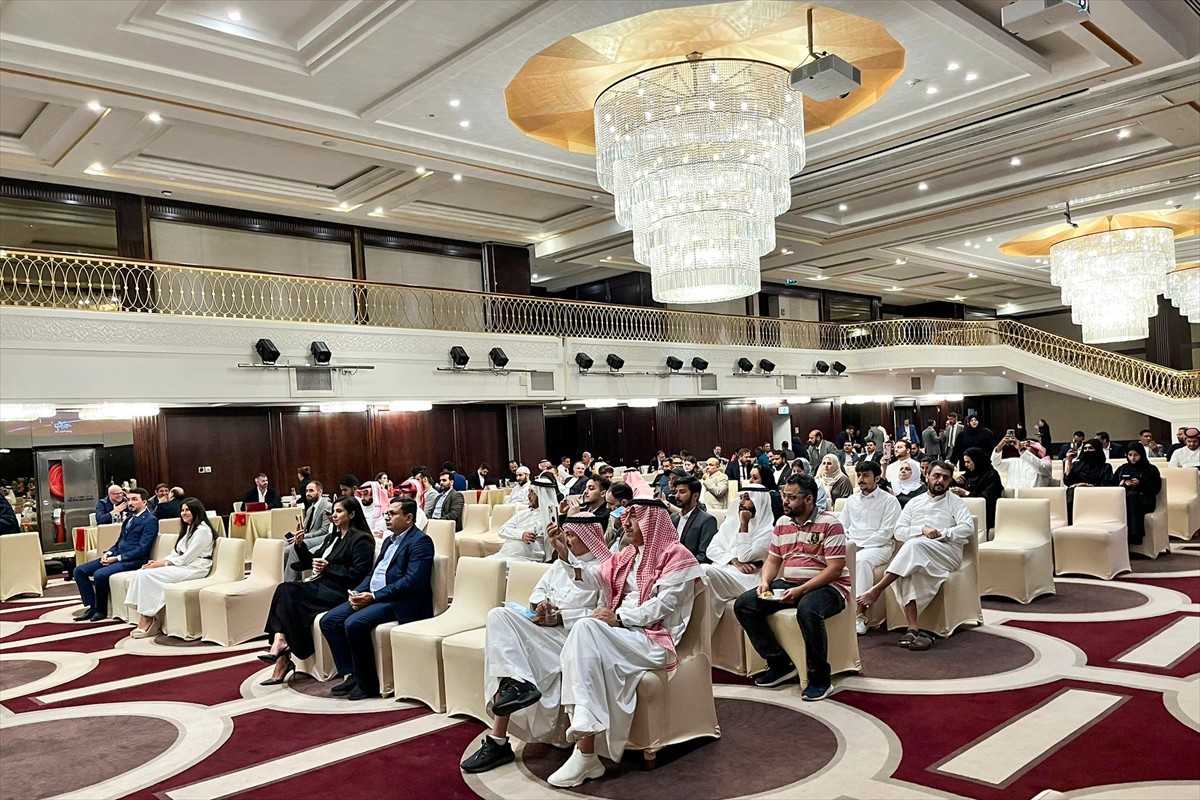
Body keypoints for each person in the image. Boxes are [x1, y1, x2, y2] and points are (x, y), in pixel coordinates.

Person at [547, 497, 702, 788]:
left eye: (633, 517)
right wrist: (565, 555)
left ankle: (584, 736)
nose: (625, 523)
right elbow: (592, 577)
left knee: (585, 629)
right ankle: (586, 748)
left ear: (651, 521)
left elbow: (663, 607)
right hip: (626, 635)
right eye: (625, 517)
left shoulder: (676, 556)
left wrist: (619, 618)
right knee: (584, 632)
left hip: (655, 640)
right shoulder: (628, 555)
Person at [460, 515, 614, 774]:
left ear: (590, 538)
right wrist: (541, 607)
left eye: (574, 535)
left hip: (575, 639)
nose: (567, 539)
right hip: (544, 631)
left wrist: (563, 617)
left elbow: (604, 616)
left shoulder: (603, 569)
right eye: (567, 534)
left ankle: (499, 736)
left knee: (509, 659)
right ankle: (516, 690)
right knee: (498, 616)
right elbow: (536, 595)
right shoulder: (558, 565)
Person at [733, 474, 850, 698]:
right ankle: (779, 664)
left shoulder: (830, 524)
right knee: (744, 604)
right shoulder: (782, 523)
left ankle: (819, 678)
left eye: (792, 497)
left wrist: (802, 590)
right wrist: (765, 582)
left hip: (829, 586)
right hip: (790, 583)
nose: (785, 501)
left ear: (809, 500)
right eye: (784, 496)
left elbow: (834, 569)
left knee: (808, 609)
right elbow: (773, 560)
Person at [320, 496, 434, 700]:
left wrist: (373, 596)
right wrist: (357, 592)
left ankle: (367, 683)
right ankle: (352, 673)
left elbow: (412, 581)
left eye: (392, 514)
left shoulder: (420, 542)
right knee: (329, 620)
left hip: (401, 601)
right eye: (386, 514)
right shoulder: (389, 540)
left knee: (353, 623)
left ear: (409, 518)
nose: (387, 518)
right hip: (374, 595)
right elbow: (374, 574)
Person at [856, 461, 974, 651]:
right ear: (927, 476)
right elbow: (899, 531)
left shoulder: (956, 502)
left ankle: (877, 589)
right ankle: (912, 628)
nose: (940, 481)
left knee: (913, 546)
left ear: (950, 480)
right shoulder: (914, 502)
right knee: (908, 570)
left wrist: (943, 533)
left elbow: (968, 527)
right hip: (918, 551)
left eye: (945, 478)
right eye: (936, 476)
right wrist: (921, 529)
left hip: (947, 552)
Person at [261, 496, 376, 684]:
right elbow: (310, 562)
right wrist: (300, 546)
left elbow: (359, 574)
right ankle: (280, 641)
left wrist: (328, 567)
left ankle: (281, 648)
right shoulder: (334, 537)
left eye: (339, 511)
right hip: (322, 585)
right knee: (283, 590)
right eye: (333, 511)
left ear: (352, 514)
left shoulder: (361, 539)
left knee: (287, 593)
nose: (334, 515)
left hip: (339, 590)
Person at [124, 497, 214, 638]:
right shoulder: (189, 528)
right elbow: (176, 552)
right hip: (183, 566)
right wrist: (159, 562)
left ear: (196, 511)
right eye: (182, 510)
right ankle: (146, 615)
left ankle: (148, 618)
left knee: (148, 575)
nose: (184, 513)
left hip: (196, 568)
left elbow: (187, 557)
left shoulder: (202, 530)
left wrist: (162, 564)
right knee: (142, 572)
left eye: (187, 510)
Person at [73, 487, 159, 622]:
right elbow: (120, 541)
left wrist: (117, 558)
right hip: (117, 555)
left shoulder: (150, 520)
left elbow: (143, 548)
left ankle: (101, 610)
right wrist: (109, 553)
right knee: (79, 571)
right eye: (129, 499)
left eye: (134, 500)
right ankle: (92, 605)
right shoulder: (129, 519)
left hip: (133, 560)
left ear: (144, 502)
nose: (130, 503)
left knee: (100, 574)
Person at [839, 461, 901, 635]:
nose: (861, 479)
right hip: (853, 544)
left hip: (879, 546)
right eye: (859, 475)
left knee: (861, 561)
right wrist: (850, 544)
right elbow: (842, 526)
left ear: (878, 478)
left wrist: (859, 546)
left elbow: (887, 532)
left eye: (866, 475)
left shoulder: (889, 501)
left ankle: (860, 615)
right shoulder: (851, 500)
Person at [702, 486, 774, 624]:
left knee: (705, 571)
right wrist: (733, 561)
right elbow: (711, 549)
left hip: (747, 580)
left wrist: (744, 524)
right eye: (741, 498)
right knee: (697, 574)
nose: (741, 503)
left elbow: (744, 556)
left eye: (747, 499)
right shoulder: (729, 523)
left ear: (759, 502)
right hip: (725, 570)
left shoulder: (768, 531)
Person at [490, 476, 555, 562]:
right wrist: (521, 535)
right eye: (529, 492)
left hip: (525, 560)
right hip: (502, 555)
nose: (528, 496)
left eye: (532, 492)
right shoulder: (522, 513)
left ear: (541, 495)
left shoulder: (550, 517)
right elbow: (502, 530)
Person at [1111, 442, 1162, 545]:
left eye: (1136, 455)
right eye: (1130, 455)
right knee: (1128, 497)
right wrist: (1120, 484)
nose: (1133, 458)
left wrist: (1140, 484)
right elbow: (1111, 484)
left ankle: (1135, 535)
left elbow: (1155, 488)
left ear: (1141, 455)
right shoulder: (1123, 468)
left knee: (1132, 496)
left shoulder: (1150, 469)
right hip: (1124, 500)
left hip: (1145, 501)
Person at [282, 482, 333, 581]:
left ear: (320, 492)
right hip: (309, 537)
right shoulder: (310, 509)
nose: (308, 493)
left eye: (311, 491)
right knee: (282, 545)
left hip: (321, 538)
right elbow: (305, 529)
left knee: (291, 548)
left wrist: (305, 536)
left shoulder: (327, 506)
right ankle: (282, 577)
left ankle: (288, 581)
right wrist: (297, 534)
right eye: (306, 491)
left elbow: (324, 530)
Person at [952, 447, 1004, 530]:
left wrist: (966, 493)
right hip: (966, 511)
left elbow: (989, 497)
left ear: (977, 460)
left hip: (985, 513)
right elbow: (958, 484)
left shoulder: (992, 475)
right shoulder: (970, 473)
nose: (966, 465)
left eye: (968, 462)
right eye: (965, 462)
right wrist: (953, 476)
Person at [1064, 438, 1115, 521]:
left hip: (1096, 494)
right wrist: (1069, 461)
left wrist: (1087, 485)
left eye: (1091, 448)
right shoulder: (1077, 464)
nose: (1087, 450)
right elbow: (1067, 481)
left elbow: (1106, 484)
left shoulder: (1105, 467)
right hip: (1076, 494)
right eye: (1085, 448)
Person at [671, 475, 717, 563]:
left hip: (691, 568)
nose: (677, 496)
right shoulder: (673, 517)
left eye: (682, 492)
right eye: (676, 492)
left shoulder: (707, 520)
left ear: (695, 496)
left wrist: (681, 565)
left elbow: (704, 555)